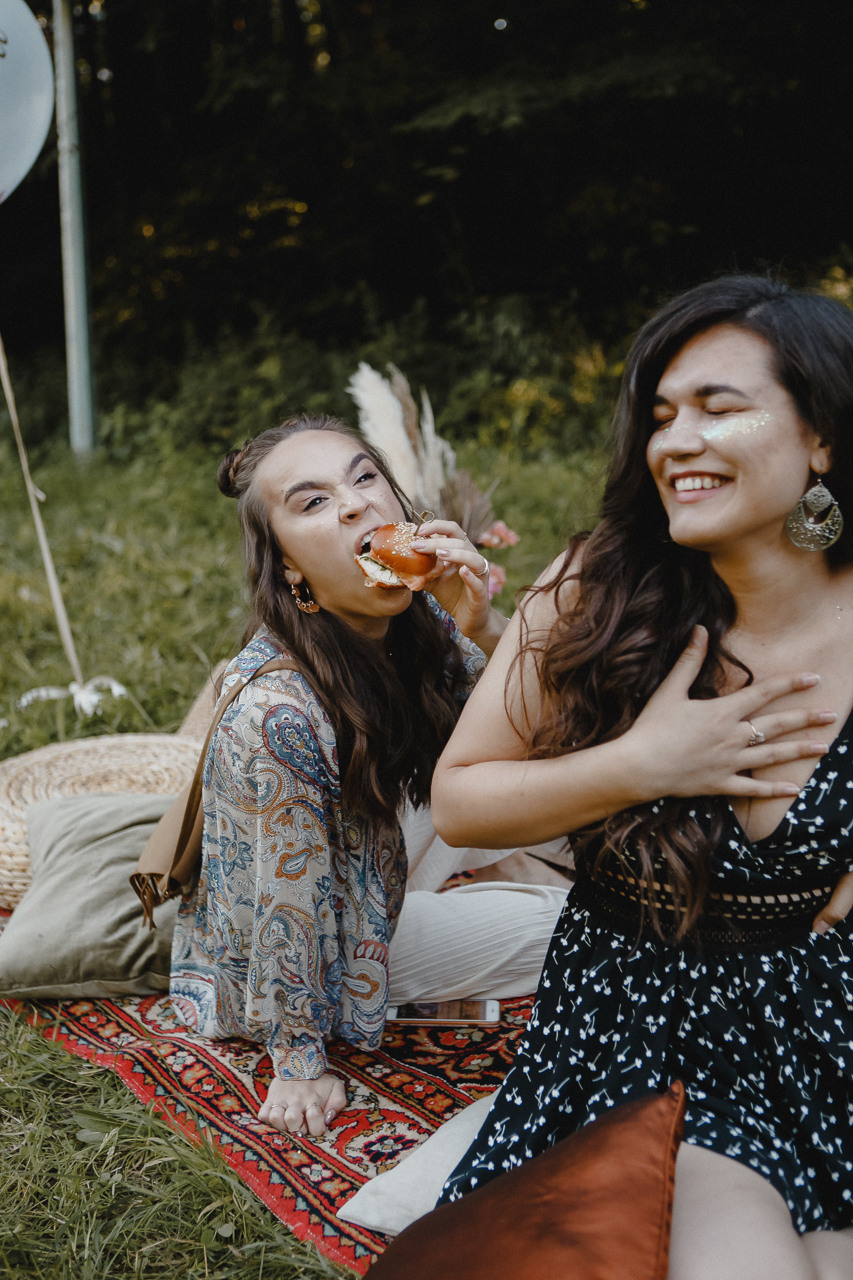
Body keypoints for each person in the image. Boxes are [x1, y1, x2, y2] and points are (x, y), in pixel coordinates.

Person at [431, 277, 853, 1278]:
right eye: (661, 415)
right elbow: (461, 798)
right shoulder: (598, 585)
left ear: (822, 439)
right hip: (643, 1025)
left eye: (720, 406)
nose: (673, 441)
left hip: (821, 1025)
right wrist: (642, 764)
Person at [169, 415, 568, 1141]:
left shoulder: (416, 616)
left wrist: (477, 625)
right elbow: (288, 905)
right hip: (320, 949)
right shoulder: (275, 717)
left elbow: (527, 739)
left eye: (363, 478)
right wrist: (297, 1063)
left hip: (367, 853)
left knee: (576, 791)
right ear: (289, 568)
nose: (356, 504)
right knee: (583, 925)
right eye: (312, 502)